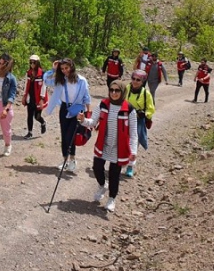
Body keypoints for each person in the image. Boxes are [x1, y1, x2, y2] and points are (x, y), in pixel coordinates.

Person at [77, 80, 137, 212]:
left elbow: (133, 133)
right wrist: (82, 120)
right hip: (103, 144)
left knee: (114, 174)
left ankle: (111, 199)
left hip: (119, 147)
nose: (114, 93)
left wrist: (133, 151)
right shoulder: (103, 104)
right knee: (97, 167)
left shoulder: (130, 110)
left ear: (122, 92)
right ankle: (102, 185)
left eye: (117, 90)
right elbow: (92, 122)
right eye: (112, 90)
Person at [44, 58, 92, 173]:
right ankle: (65, 160)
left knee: (70, 135)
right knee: (64, 134)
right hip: (65, 108)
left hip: (78, 110)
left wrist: (88, 114)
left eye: (66, 68)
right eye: (62, 69)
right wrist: (52, 69)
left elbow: (86, 97)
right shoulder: (60, 80)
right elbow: (45, 81)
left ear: (72, 67)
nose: (65, 70)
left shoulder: (81, 80)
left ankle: (72, 159)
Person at [124, 69, 155, 178]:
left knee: (134, 144)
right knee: (121, 140)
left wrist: (145, 114)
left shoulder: (146, 94)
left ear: (143, 82)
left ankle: (130, 166)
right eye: (133, 79)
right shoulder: (126, 88)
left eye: (138, 80)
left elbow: (151, 109)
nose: (135, 81)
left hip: (137, 120)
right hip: (124, 118)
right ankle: (119, 162)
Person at [22, 55, 48, 139]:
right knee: (29, 115)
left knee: (37, 116)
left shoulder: (42, 73)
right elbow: (26, 84)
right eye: (31, 62)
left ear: (37, 63)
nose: (32, 64)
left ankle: (43, 122)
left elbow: (44, 86)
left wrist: (42, 98)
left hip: (38, 97)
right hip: (30, 97)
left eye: (34, 62)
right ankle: (29, 132)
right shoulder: (28, 72)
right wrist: (24, 96)